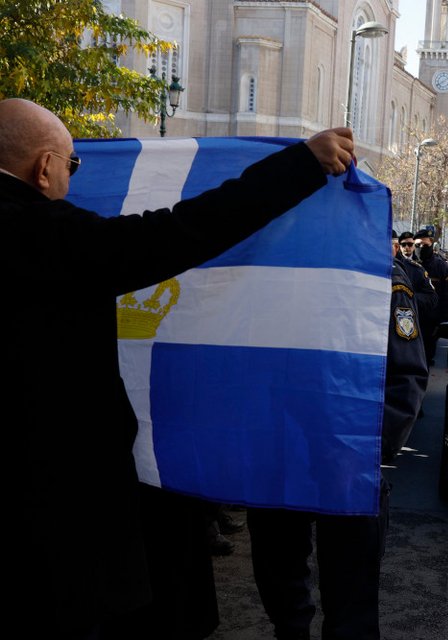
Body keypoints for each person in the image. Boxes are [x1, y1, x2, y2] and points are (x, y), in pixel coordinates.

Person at [0, 98, 354, 637]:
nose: (72, 179)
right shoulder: (39, 233)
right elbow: (178, 232)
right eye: (72, 164)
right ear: (44, 167)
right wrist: (301, 164)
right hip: (51, 513)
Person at [246, 234, 429, 640]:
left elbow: (406, 377)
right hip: (280, 449)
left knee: (351, 604)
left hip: (349, 454)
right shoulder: (270, 266)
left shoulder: (381, 276)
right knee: (281, 585)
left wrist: (368, 451)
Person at [414, 228, 448, 365]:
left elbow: (447, 296)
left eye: (425, 245)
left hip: (430, 322)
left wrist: (442, 322)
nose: (421, 248)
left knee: (425, 359)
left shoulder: (440, 266)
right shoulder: (407, 265)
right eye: (418, 245)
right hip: (410, 318)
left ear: (432, 245)